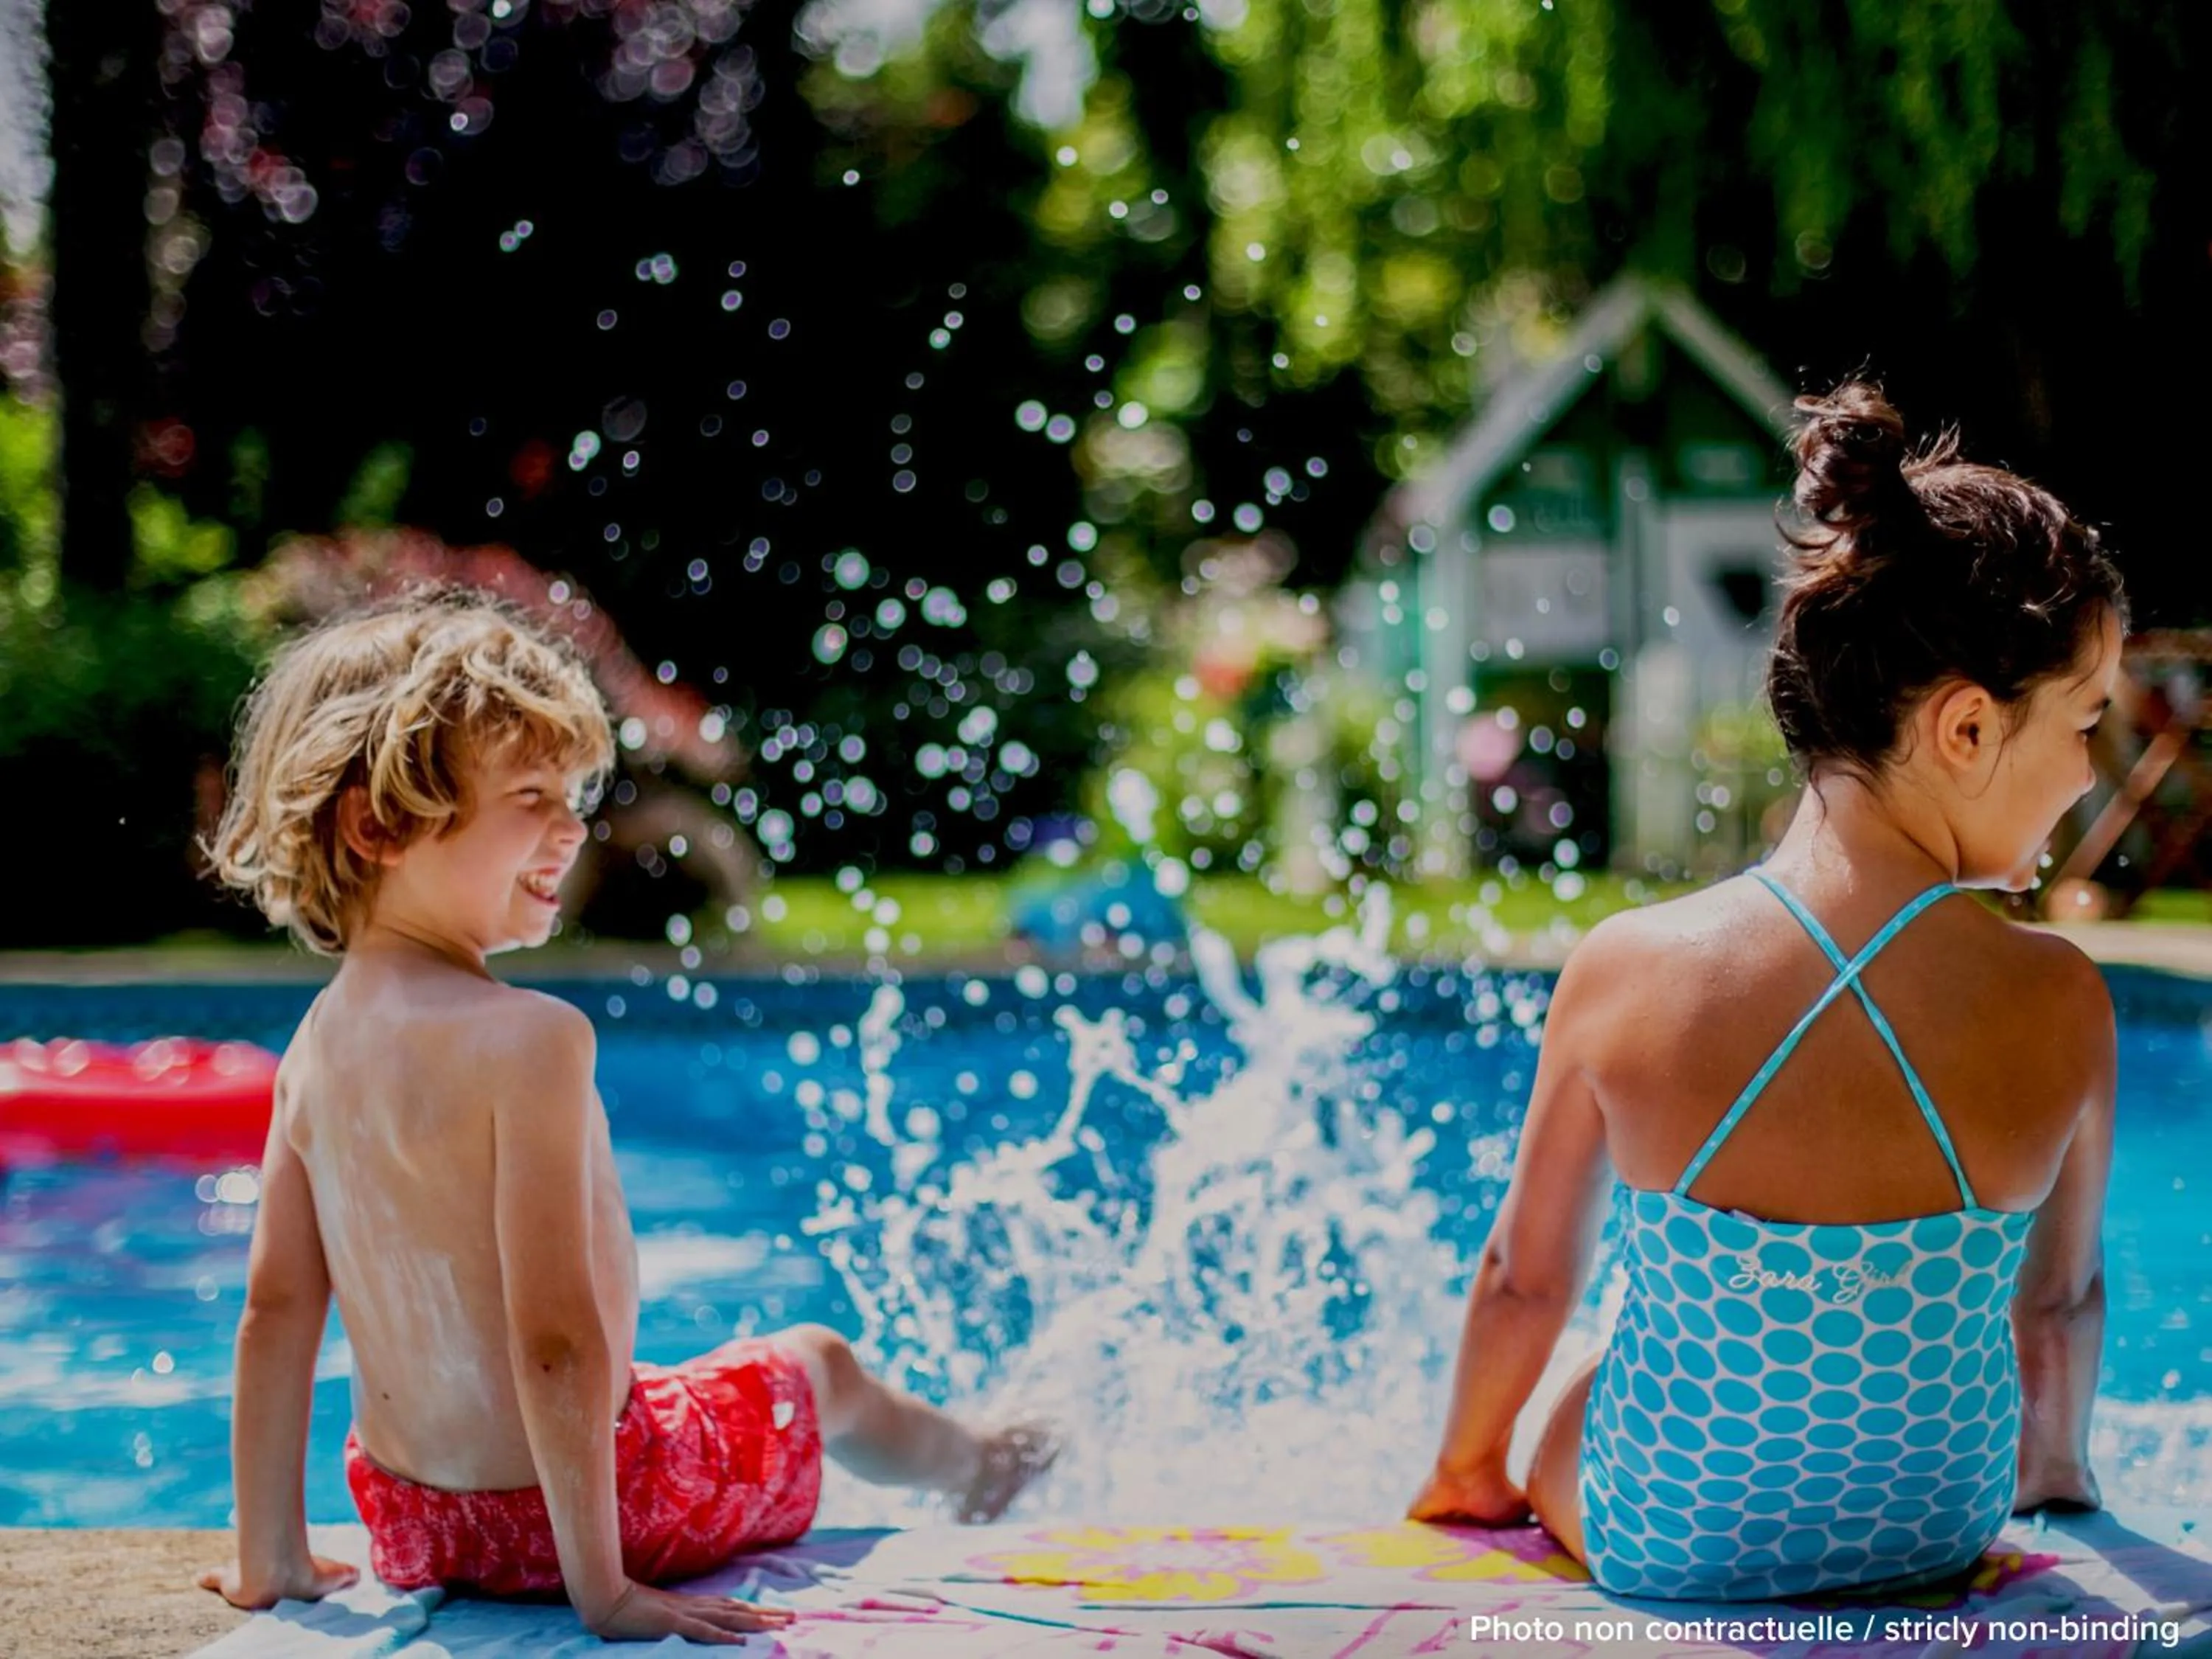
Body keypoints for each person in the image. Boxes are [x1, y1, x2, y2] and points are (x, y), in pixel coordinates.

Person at [195, 590, 1052, 1644]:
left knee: (663, 1385)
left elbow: (274, 1309)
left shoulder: (316, 1047)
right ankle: (984, 1466)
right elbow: (554, 1338)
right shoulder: (531, 1038)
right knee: (818, 1360)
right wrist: (602, 1590)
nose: (570, 826)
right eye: (528, 792)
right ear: (379, 824)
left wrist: (267, 1555)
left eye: (572, 793)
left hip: (412, 1521)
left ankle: (980, 1460)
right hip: (609, 1517)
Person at [1408, 383, 2125, 1601]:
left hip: (1670, 1537)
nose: (2084, 770)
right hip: (1938, 1527)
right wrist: (2053, 1473)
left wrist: (1471, 1474)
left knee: (1583, 1369)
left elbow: (1524, 1279)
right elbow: (2054, 1307)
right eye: (2083, 723)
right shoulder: (2063, 999)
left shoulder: (1629, 967)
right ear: (1963, 728)